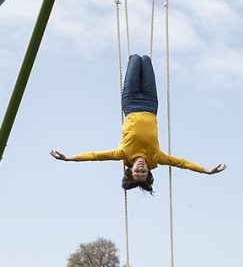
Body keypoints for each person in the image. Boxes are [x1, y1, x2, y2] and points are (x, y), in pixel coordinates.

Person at [50, 54, 227, 193]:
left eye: (137, 172)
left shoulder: (122, 153)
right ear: (148, 171)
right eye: (143, 173)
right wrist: (207, 170)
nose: (141, 170)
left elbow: (95, 155)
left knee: (135, 59)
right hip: (151, 104)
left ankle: (132, 65)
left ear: (131, 170)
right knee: (146, 60)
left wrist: (69, 158)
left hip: (131, 102)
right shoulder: (156, 157)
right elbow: (181, 163)